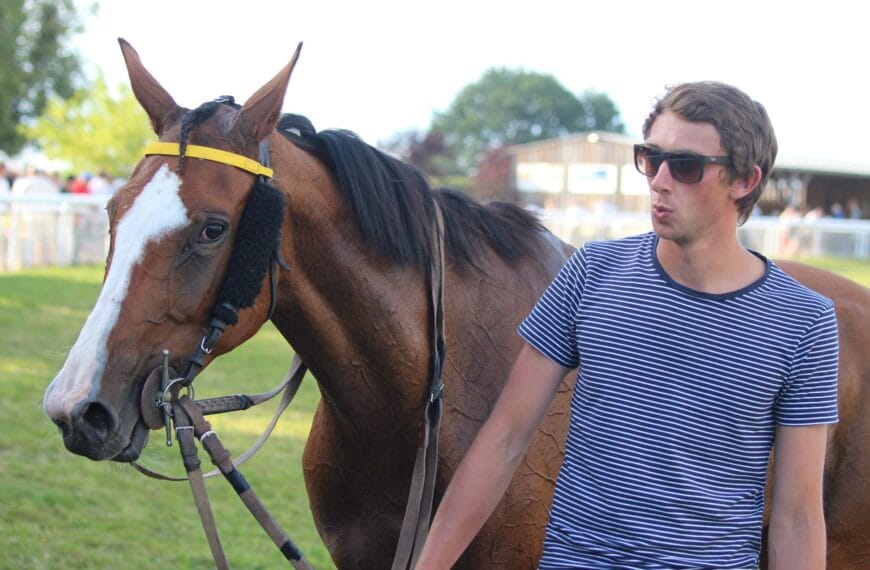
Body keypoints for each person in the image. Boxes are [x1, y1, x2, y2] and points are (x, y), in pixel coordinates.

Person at [416, 81, 839, 569]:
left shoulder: (804, 322)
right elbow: (504, 439)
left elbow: (798, 517)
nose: (659, 180)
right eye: (650, 157)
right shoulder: (591, 273)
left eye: (685, 166)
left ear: (743, 181)